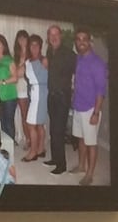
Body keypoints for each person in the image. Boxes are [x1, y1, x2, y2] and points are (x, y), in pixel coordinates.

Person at [70, 28, 106, 186]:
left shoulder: (97, 63)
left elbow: (101, 90)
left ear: (89, 41)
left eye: (84, 38)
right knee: (81, 139)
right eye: (78, 39)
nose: (81, 42)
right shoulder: (79, 59)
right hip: (78, 106)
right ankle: (81, 166)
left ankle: (90, 174)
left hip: (91, 109)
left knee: (91, 142)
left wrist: (96, 113)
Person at [45, 24, 76, 176]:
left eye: (56, 34)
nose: (54, 37)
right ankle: (55, 159)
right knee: (52, 130)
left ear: (61, 36)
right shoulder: (49, 52)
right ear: (48, 37)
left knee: (58, 131)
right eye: (51, 35)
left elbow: (78, 73)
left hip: (62, 97)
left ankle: (61, 165)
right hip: (51, 96)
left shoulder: (69, 53)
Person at [0, 34, 19, 147]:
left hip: (9, 95)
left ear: (3, 45)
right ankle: (6, 145)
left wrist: (1, 82)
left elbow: (15, 78)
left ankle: (10, 146)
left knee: (9, 122)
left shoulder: (9, 59)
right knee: (1, 121)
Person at [21, 33, 48, 162]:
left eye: (37, 45)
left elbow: (49, 78)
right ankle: (41, 149)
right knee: (39, 125)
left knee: (31, 124)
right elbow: (19, 74)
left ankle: (33, 152)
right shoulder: (27, 62)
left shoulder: (44, 60)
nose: (34, 47)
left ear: (40, 46)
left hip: (41, 94)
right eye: (32, 45)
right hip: (33, 93)